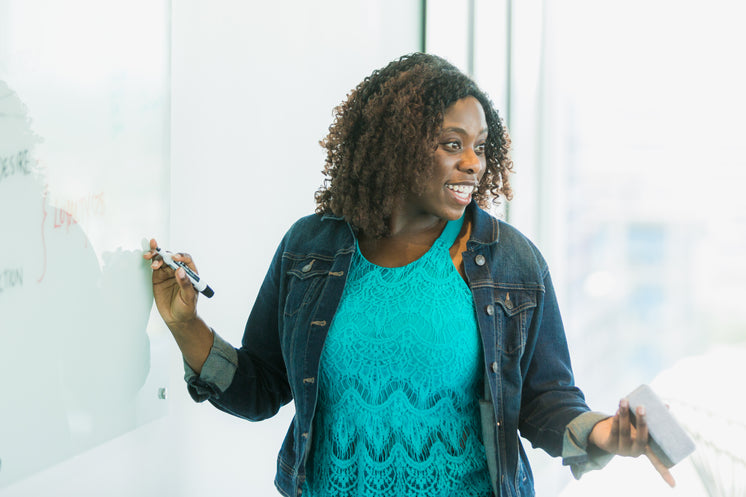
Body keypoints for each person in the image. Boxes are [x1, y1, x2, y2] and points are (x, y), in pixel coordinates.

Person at [144, 53, 675, 497]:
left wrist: (606, 433)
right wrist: (186, 325)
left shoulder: (511, 262)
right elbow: (263, 389)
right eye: (452, 144)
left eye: (481, 146)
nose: (474, 163)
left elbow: (544, 400)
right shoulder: (310, 250)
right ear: (395, 146)